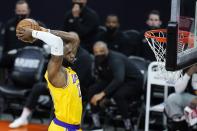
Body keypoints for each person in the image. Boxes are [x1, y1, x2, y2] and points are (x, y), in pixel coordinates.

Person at [16, 26, 82, 131]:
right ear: (60, 55)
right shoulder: (55, 72)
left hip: (73, 127)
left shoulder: (68, 68)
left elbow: (74, 39)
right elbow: (56, 42)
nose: (73, 55)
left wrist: (46, 30)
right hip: (62, 128)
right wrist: (34, 33)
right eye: (69, 53)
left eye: (73, 52)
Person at [89, 41, 143, 131]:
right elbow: (103, 78)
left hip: (133, 82)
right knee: (92, 89)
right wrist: (103, 94)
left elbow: (119, 79)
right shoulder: (98, 59)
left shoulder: (115, 59)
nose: (99, 54)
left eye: (101, 51)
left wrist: (102, 94)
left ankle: (128, 125)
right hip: (114, 81)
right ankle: (97, 125)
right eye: (96, 52)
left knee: (119, 95)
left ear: (107, 50)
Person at [0, 0, 43, 70]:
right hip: (12, 57)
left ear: (28, 11)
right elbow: (5, 46)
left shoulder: (37, 25)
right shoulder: (9, 25)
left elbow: (40, 46)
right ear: (15, 11)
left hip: (31, 56)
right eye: (19, 11)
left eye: (23, 11)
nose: (21, 14)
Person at [165, 64, 197, 131]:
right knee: (172, 99)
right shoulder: (189, 65)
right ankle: (180, 126)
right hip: (191, 98)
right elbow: (178, 90)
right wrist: (188, 73)